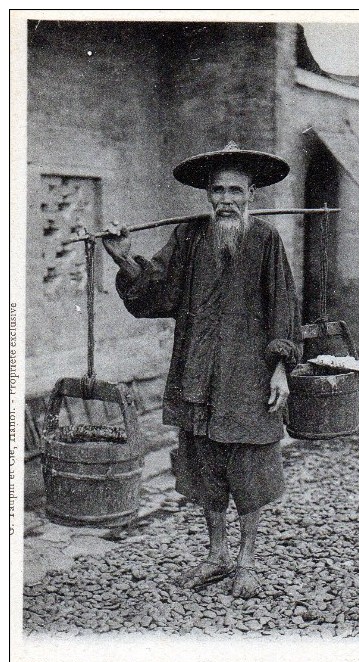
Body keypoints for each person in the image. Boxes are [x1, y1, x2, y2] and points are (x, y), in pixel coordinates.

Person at [103, 142, 302, 599]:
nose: (226, 199)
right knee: (205, 468)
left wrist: (280, 368)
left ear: (252, 192)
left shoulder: (267, 240)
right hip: (197, 375)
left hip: (249, 377)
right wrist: (123, 257)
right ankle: (216, 556)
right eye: (218, 191)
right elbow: (156, 292)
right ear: (208, 195)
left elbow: (284, 307)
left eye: (235, 190)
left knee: (249, 470)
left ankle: (246, 562)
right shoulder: (189, 238)